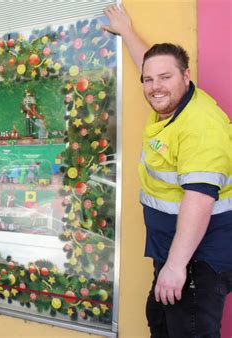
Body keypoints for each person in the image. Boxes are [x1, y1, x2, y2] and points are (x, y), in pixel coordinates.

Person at [103, 5, 232, 337]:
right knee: (160, 320)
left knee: (188, 329)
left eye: (165, 78)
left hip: (197, 258)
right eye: (148, 79)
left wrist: (175, 267)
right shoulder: (174, 99)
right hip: (175, 250)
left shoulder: (200, 125)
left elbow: (199, 199)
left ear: (186, 77)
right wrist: (127, 31)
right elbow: (153, 63)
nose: (154, 86)